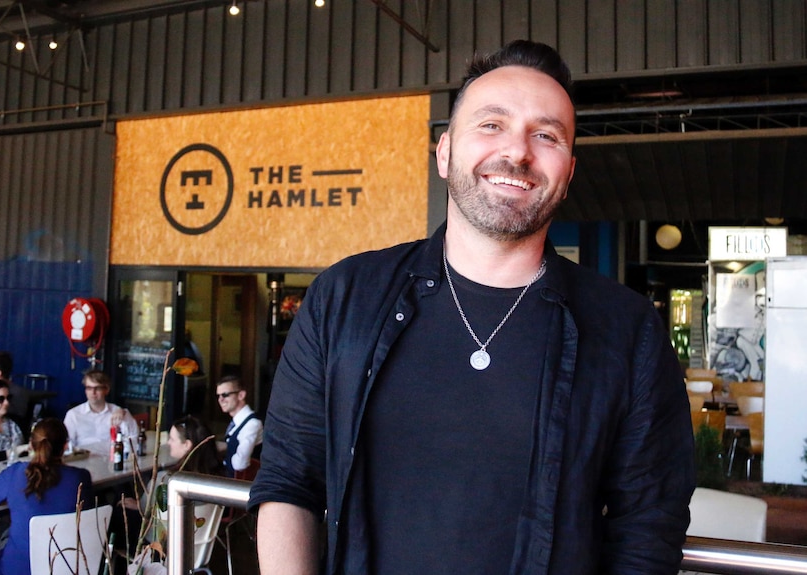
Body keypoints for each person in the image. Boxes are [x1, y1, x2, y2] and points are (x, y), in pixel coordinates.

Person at [248, 39, 695, 575]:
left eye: (546, 135)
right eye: (491, 124)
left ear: (569, 173)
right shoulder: (343, 297)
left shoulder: (630, 333)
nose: (519, 151)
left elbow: (647, 531)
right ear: (444, 153)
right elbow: (289, 479)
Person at [0, 418, 94, 575]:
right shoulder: (81, 478)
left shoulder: (15, 473)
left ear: (31, 445)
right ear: (65, 447)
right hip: (67, 567)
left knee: (4, 538)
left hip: (18, 569)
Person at [111, 415, 222, 565]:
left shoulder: (166, 480)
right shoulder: (219, 480)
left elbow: (145, 512)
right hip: (198, 550)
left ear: (187, 445)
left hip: (159, 551)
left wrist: (137, 505)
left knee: (117, 511)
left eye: (172, 439)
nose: (168, 443)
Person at [64, 369, 138, 455]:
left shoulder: (118, 412)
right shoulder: (73, 414)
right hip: (83, 461)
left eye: (97, 388)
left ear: (106, 390)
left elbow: (134, 437)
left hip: (110, 461)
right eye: (89, 388)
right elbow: (66, 444)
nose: (93, 392)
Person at [216, 374, 262, 479]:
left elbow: (240, 464)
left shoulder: (252, 424)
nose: (220, 400)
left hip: (239, 485)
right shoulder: (236, 422)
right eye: (218, 396)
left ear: (241, 395)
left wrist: (228, 459)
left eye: (225, 395)